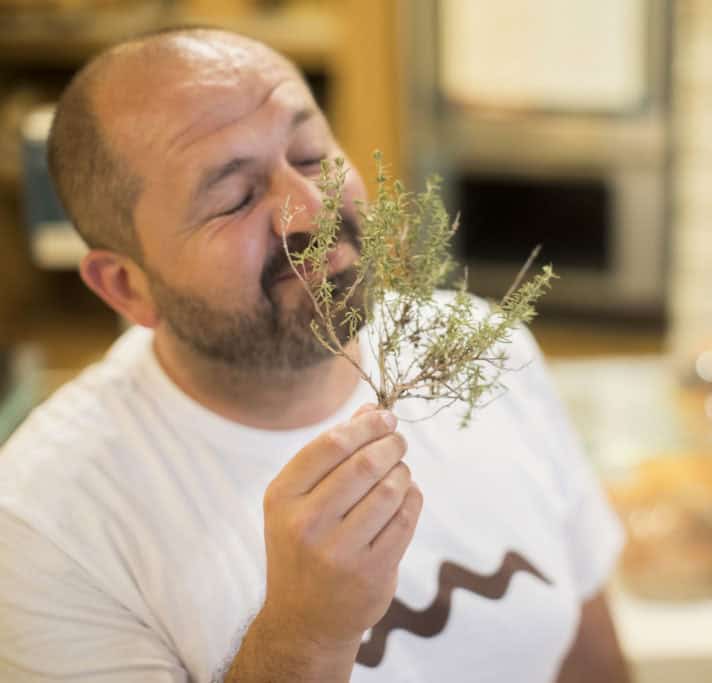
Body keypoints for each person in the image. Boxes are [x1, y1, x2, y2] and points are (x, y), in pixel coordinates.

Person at [0, 27, 630, 683]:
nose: (308, 208)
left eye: (309, 154)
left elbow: (591, 650)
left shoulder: (486, 349)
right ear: (128, 285)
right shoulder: (44, 526)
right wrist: (303, 637)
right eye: (234, 198)